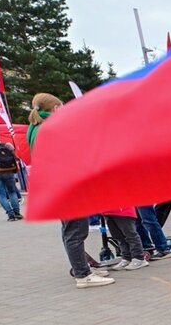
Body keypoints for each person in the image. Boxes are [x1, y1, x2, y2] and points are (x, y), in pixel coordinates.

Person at [28, 92, 115, 288]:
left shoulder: (35, 128)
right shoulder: (51, 127)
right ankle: (83, 275)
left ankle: (81, 268)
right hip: (67, 186)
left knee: (70, 230)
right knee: (75, 231)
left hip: (56, 185)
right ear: (56, 108)